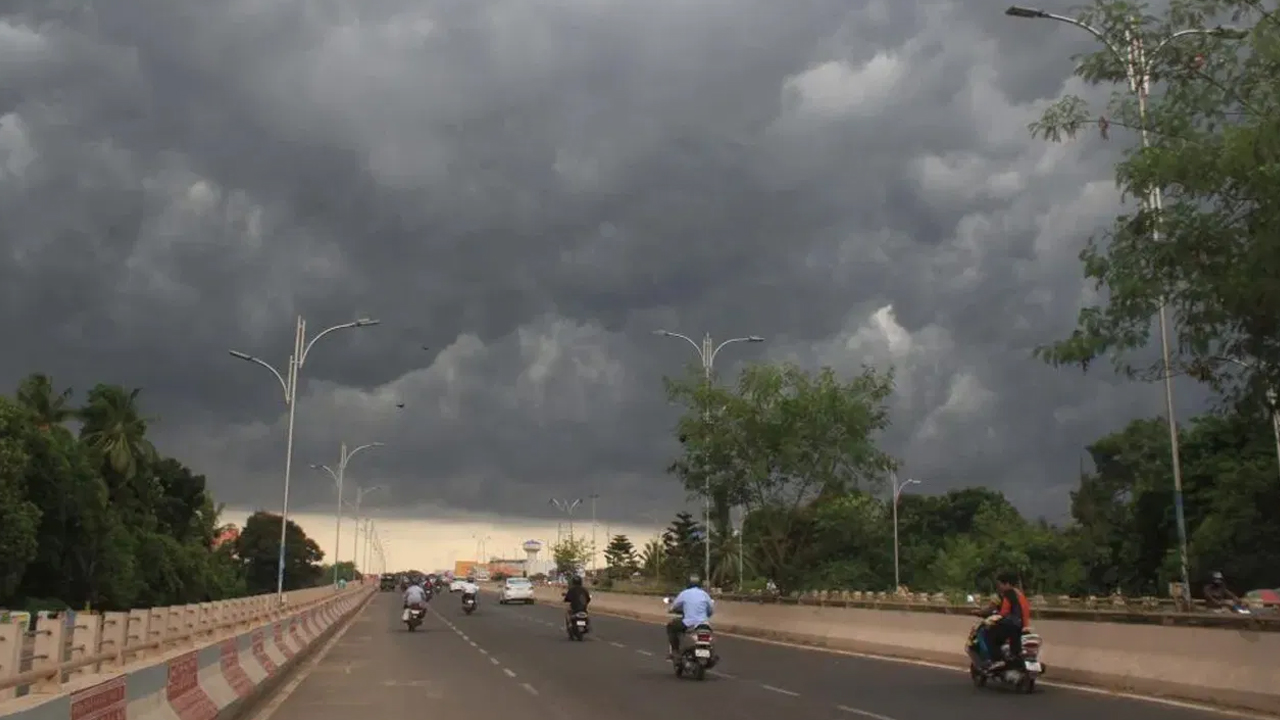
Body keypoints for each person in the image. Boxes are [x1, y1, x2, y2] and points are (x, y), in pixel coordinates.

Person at [981, 571, 1030, 669]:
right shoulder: (1020, 595)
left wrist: (996, 618)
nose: (999, 587)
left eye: (1000, 584)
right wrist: (1025, 626)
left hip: (1009, 625)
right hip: (1020, 626)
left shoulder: (1008, 594)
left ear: (1007, 584)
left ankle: (997, 660)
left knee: (989, 635)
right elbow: (1025, 612)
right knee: (1015, 648)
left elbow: (1004, 612)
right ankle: (1014, 659)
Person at [666, 575, 714, 659]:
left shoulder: (685, 593)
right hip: (704, 623)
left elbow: (674, 606)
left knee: (671, 626)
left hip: (689, 623)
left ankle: (675, 651)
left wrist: (671, 609)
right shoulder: (705, 594)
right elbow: (710, 609)